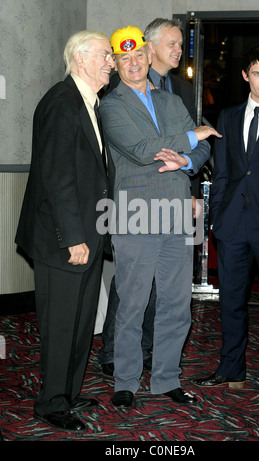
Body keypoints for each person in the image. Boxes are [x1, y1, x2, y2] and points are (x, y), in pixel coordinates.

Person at [99, 25, 221, 408]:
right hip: (136, 216)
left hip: (177, 214)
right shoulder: (111, 104)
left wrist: (186, 157)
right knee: (133, 303)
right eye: (125, 58)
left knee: (175, 303)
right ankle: (126, 380)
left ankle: (166, 378)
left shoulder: (170, 102)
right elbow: (140, 148)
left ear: (148, 57)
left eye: (139, 57)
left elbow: (201, 152)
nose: (133, 64)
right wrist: (191, 138)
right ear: (116, 63)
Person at [15, 30, 115, 432]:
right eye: (105, 55)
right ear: (80, 59)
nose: (111, 61)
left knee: (79, 321)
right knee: (60, 324)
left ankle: (69, 392)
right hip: (64, 241)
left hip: (87, 237)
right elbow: (57, 179)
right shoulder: (61, 102)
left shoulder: (87, 102)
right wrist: (73, 237)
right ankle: (51, 402)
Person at [193, 45, 259, 402]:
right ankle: (231, 368)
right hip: (232, 225)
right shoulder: (228, 116)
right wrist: (216, 219)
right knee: (231, 301)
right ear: (245, 76)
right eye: (257, 73)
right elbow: (222, 172)